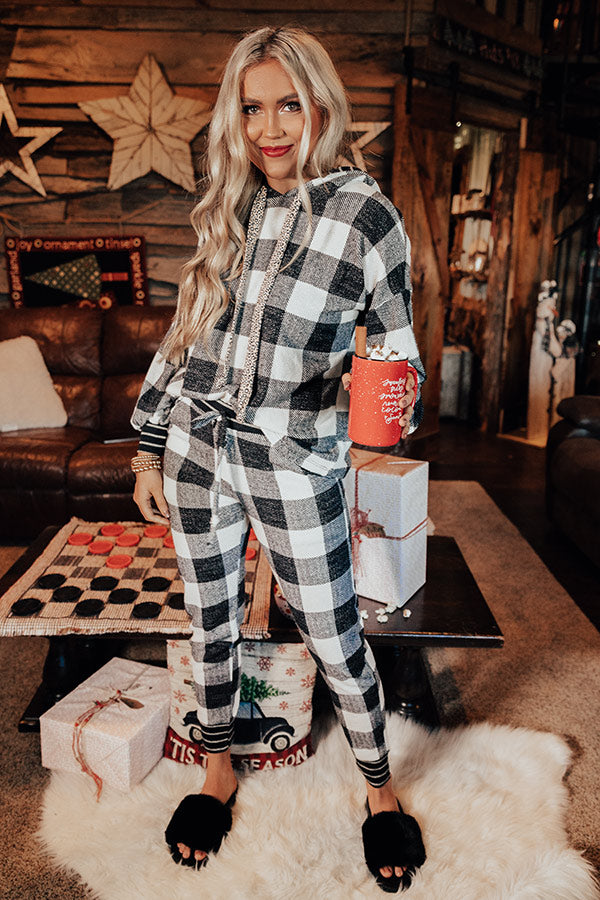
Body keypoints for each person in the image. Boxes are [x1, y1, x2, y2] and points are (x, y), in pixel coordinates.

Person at [131, 25, 427, 894]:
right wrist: (149, 444)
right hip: (198, 450)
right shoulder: (233, 204)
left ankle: (380, 790)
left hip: (295, 463)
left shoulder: (366, 217)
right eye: (252, 108)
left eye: (288, 105)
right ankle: (218, 773)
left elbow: (398, 359)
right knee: (210, 622)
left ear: (321, 106)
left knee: (334, 635)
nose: (269, 129)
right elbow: (184, 336)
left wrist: (380, 393)